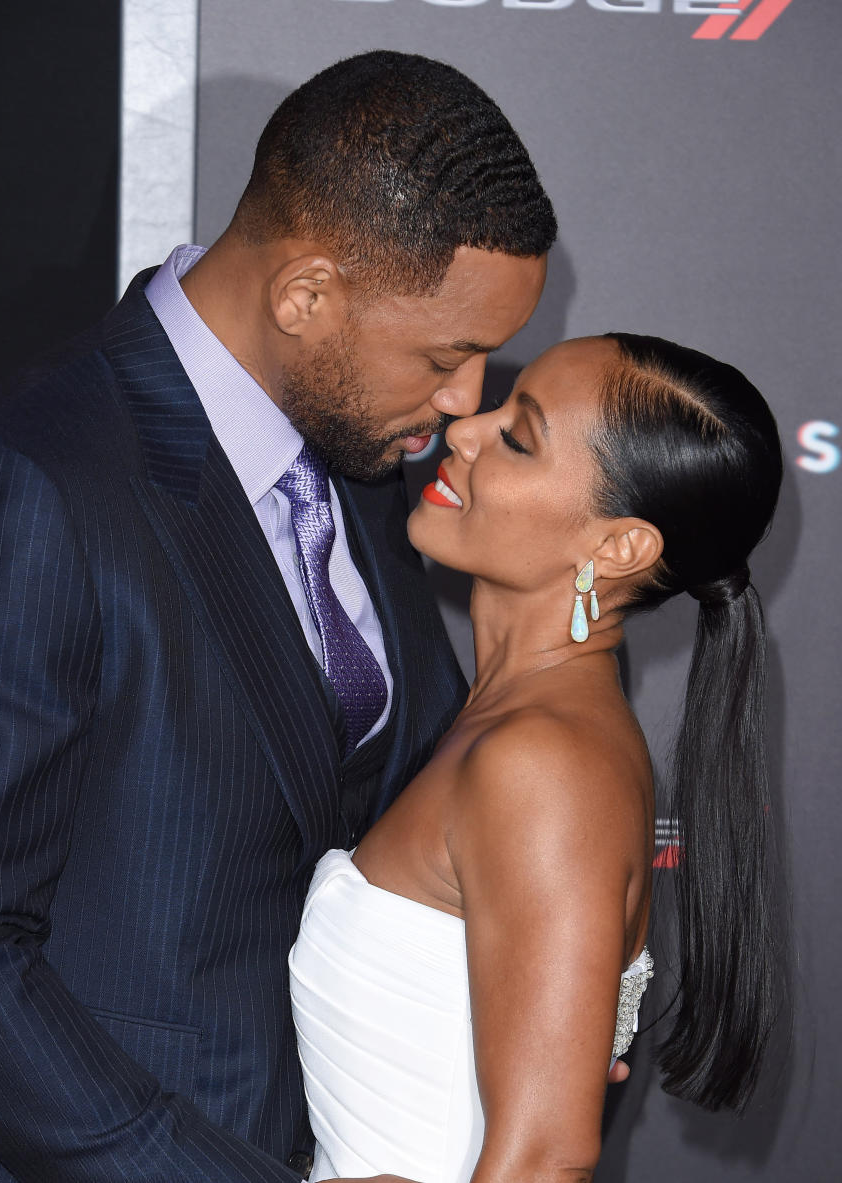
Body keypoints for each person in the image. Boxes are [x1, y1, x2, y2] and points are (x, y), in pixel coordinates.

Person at [0, 52, 556, 1183]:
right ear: (306, 294)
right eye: (446, 358)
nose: (466, 404)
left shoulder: (365, 459)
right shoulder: (33, 481)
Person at [289, 332, 783, 1183]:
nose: (467, 432)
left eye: (518, 437)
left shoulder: (545, 762)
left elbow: (546, 1161)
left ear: (619, 546)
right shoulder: (510, 721)